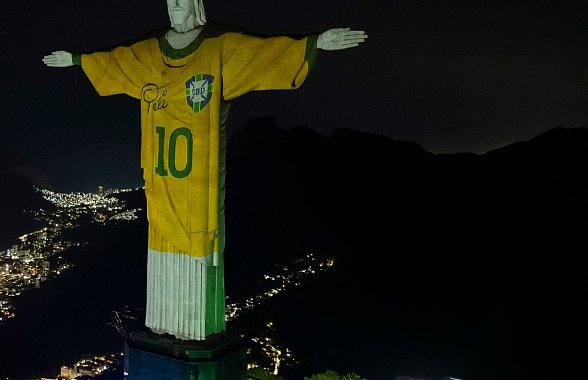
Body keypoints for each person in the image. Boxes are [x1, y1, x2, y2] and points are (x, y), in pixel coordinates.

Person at [42, 0, 366, 341]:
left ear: (196, 5)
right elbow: (118, 60)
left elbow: (262, 53)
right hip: (161, 174)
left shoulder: (218, 46)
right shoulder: (153, 51)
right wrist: (76, 60)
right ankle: (163, 325)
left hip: (198, 177)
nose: (174, 9)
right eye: (170, 3)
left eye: (181, 2)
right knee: (160, 238)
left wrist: (314, 43)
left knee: (201, 244)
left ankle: (196, 330)